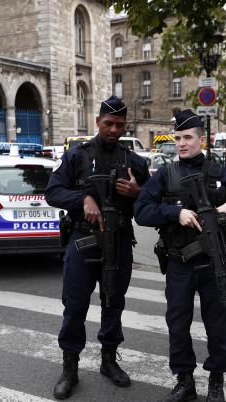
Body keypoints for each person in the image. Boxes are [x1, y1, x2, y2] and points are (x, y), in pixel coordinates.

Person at [134, 109, 226, 402]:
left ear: (201, 139)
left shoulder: (221, 173)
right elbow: (141, 212)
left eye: (188, 137)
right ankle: (185, 381)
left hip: (212, 263)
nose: (182, 143)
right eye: (178, 138)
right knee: (177, 323)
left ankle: (216, 382)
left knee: (217, 325)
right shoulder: (166, 174)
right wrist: (175, 212)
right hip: (178, 261)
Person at [45, 95, 149, 400]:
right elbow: (52, 191)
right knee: (75, 305)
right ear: (97, 122)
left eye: (119, 124)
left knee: (113, 302)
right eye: (108, 123)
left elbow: (155, 201)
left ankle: (108, 361)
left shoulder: (135, 161)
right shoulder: (77, 156)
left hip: (118, 241)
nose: (114, 130)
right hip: (84, 239)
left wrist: (137, 191)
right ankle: (70, 368)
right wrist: (83, 200)